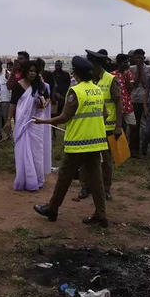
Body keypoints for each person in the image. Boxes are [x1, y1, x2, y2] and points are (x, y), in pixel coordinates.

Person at [32, 56, 108, 227]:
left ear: (76, 73)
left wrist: (43, 121)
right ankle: (101, 214)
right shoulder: (97, 90)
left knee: (64, 177)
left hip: (78, 143)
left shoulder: (75, 91)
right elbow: (105, 114)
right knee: (96, 179)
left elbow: (65, 117)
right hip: (96, 142)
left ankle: (52, 208)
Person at [77, 49, 120, 201]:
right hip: (89, 127)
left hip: (107, 127)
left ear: (97, 65)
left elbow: (118, 103)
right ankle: (85, 187)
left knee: (106, 161)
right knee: (84, 158)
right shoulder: (86, 80)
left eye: (91, 65)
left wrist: (118, 126)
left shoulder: (110, 79)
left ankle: (106, 188)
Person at [11, 59, 53, 191]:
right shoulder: (18, 86)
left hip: (37, 123)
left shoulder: (40, 85)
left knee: (36, 152)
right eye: (30, 71)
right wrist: (8, 120)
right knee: (23, 150)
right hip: (23, 123)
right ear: (25, 72)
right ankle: (25, 179)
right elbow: (13, 104)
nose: (33, 74)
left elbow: (47, 98)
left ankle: (38, 180)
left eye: (35, 71)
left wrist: (43, 104)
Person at [113, 53, 139, 158]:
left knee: (133, 126)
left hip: (128, 104)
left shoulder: (129, 74)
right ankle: (119, 151)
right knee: (119, 128)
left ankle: (130, 149)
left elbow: (130, 88)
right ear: (119, 63)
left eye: (128, 62)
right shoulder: (112, 75)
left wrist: (127, 77)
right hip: (116, 106)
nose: (127, 64)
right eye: (125, 62)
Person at [129, 49, 148, 154]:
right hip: (134, 100)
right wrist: (138, 70)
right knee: (134, 125)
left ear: (143, 57)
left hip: (145, 100)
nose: (138, 59)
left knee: (146, 125)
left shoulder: (149, 68)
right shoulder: (131, 69)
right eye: (136, 57)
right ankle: (134, 148)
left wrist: (141, 69)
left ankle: (146, 147)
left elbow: (146, 83)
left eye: (140, 57)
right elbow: (134, 84)